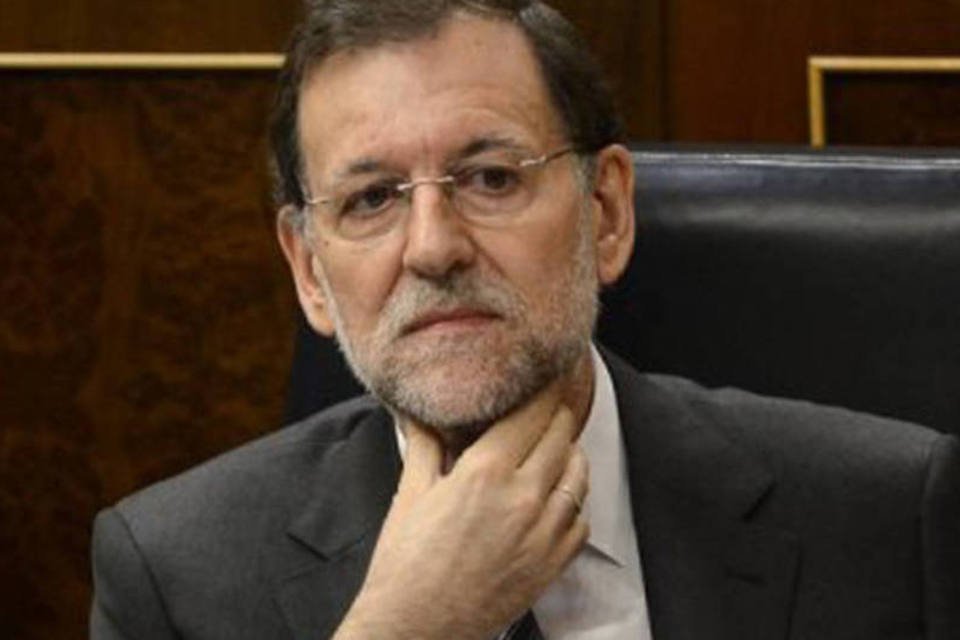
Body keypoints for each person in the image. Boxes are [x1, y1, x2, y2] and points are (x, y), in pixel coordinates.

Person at [90, 1, 960, 639]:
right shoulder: (175, 575)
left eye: (491, 179)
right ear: (310, 270)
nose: (433, 247)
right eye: (372, 199)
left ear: (606, 212)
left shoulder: (882, 518)